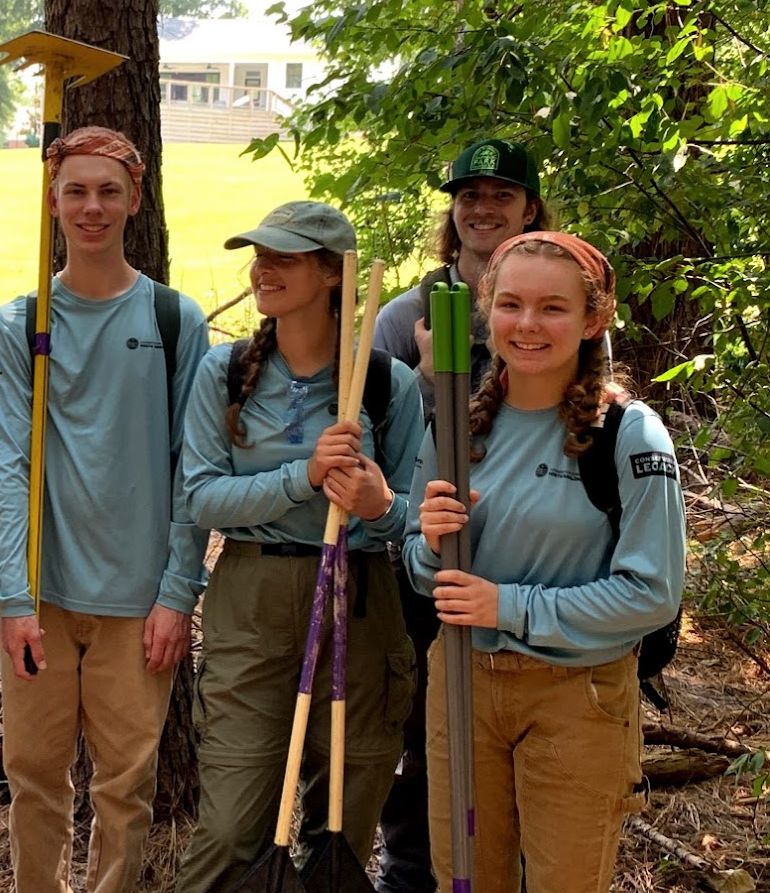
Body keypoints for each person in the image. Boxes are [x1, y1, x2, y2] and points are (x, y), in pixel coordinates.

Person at [408, 231, 684, 893]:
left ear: (593, 319)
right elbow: (426, 576)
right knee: (466, 881)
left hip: (577, 695)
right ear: (486, 307)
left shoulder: (628, 431)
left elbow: (652, 594)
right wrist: (427, 545)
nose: (528, 324)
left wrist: (507, 605)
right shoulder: (455, 420)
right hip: (462, 682)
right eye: (511, 304)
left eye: (553, 308)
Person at [0, 125, 210, 893]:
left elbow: (193, 469)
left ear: (135, 198)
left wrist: (177, 593)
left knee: (125, 789)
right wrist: (14, 598)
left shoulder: (177, 321)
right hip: (43, 596)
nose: (92, 206)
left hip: (138, 601)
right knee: (34, 780)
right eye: (75, 190)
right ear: (52, 201)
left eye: (109, 190)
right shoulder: (20, 324)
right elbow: (8, 464)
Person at [174, 201, 424, 891]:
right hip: (251, 603)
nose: (262, 268)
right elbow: (200, 498)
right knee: (230, 830)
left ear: (332, 273)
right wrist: (303, 475)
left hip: (362, 602)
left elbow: (416, 522)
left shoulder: (383, 385)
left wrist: (378, 505)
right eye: (259, 255)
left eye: (282, 256)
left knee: (341, 823)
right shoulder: (223, 374)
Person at [370, 137, 553, 893]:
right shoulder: (404, 315)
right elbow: (373, 446)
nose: (482, 208)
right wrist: (421, 371)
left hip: (526, 560)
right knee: (422, 731)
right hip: (425, 565)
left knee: (515, 732)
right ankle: (415, 870)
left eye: (500, 195)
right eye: (468, 195)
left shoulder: (557, 303)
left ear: (529, 208)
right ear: (453, 209)